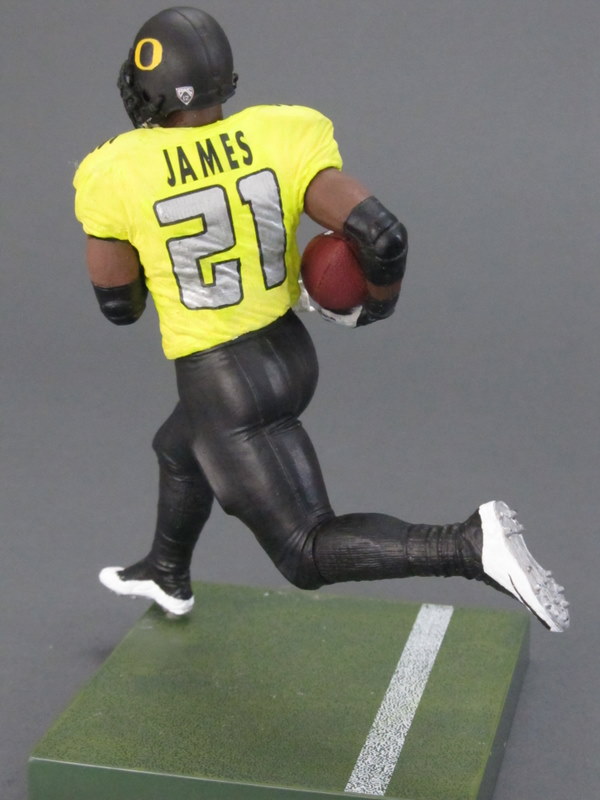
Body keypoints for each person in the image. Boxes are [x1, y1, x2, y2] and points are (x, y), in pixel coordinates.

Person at [73, 6, 569, 632]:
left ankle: (469, 545)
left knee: (305, 551)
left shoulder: (115, 170)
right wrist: (376, 304)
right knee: (178, 448)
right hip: (289, 352)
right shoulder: (281, 133)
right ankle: (166, 570)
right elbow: (382, 235)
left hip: (222, 381)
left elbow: (120, 306)